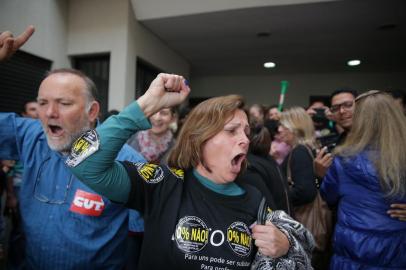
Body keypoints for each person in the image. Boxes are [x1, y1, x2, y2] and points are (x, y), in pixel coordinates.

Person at [66, 74, 317, 269]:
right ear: (200, 139)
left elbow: (304, 252)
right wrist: (149, 103)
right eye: (231, 131)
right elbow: (84, 162)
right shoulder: (162, 183)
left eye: (246, 133)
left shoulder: (255, 200)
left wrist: (286, 246)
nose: (245, 140)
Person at [0, 68, 145, 269]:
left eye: (64, 103)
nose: (50, 112)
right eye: (43, 103)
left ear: (92, 111)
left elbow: (142, 240)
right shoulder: (31, 136)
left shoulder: (128, 163)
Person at [320, 90, 406, 269]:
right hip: (397, 251)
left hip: (353, 251)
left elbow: (328, 197)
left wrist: (321, 175)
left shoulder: (343, 160)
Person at [239, 125, 291, 214]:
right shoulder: (269, 160)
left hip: (275, 222)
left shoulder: (250, 166)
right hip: (284, 216)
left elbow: (264, 208)